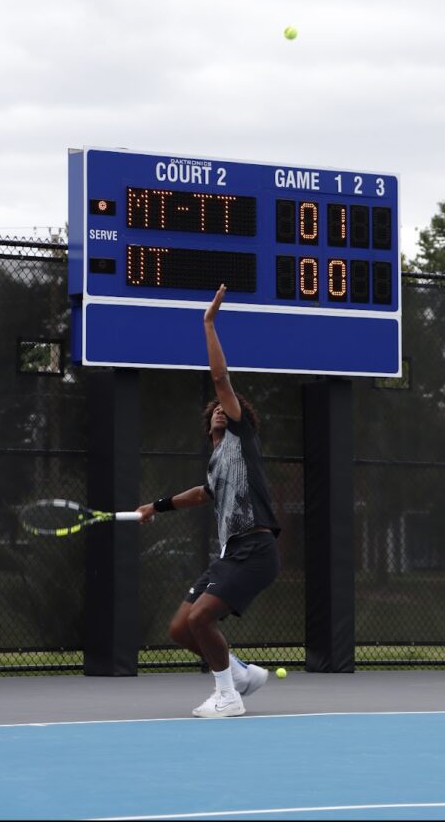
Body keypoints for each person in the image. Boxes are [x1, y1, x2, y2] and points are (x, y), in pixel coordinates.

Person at [136, 284, 281, 718]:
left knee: (202, 621)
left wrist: (208, 323)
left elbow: (221, 379)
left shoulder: (241, 440)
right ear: (207, 425)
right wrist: (154, 507)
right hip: (229, 555)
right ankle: (238, 673)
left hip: (256, 549)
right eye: (213, 411)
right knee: (182, 628)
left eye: (225, 407)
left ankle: (228, 697)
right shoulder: (218, 465)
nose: (219, 410)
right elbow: (201, 495)